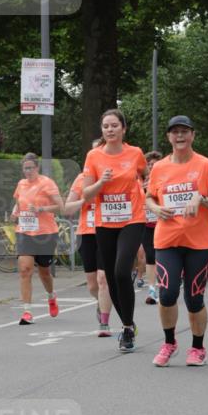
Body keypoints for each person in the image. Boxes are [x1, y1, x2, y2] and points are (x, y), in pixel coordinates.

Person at [146, 116, 208, 368]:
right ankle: (169, 343)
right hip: (167, 240)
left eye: (184, 132)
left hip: (199, 243)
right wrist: (156, 209)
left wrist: (201, 200)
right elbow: (148, 197)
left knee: (194, 298)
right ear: (169, 137)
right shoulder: (159, 167)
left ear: (192, 135)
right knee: (167, 294)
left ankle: (197, 347)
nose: (179, 136)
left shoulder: (205, 165)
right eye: (174, 132)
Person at [81, 109, 147, 352]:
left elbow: (145, 175)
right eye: (105, 126)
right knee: (109, 278)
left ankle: (127, 328)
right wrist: (101, 182)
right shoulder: (93, 157)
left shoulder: (135, 153)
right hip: (105, 221)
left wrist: (147, 192)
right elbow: (86, 194)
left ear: (123, 129)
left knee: (121, 272)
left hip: (132, 219)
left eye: (114, 125)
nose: (109, 130)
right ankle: (128, 324)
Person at [65, 143, 113, 336]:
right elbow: (67, 208)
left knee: (103, 279)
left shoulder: (115, 175)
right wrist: (84, 200)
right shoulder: (81, 179)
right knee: (93, 284)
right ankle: (101, 302)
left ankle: (104, 322)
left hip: (107, 230)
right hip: (86, 233)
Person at [11, 153, 64, 325]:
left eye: (31, 168)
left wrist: (40, 209)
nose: (28, 172)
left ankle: (51, 296)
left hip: (45, 233)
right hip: (25, 232)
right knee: (25, 269)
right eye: (25, 168)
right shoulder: (21, 184)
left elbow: (60, 206)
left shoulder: (46, 183)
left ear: (37, 168)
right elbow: (19, 202)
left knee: (44, 271)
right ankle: (27, 311)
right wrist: (15, 211)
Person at [142, 151, 163, 304]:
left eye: (154, 164)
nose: (151, 167)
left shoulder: (164, 180)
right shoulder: (139, 181)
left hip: (162, 223)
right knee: (150, 256)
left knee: (161, 256)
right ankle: (151, 288)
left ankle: (164, 285)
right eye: (149, 164)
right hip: (145, 223)